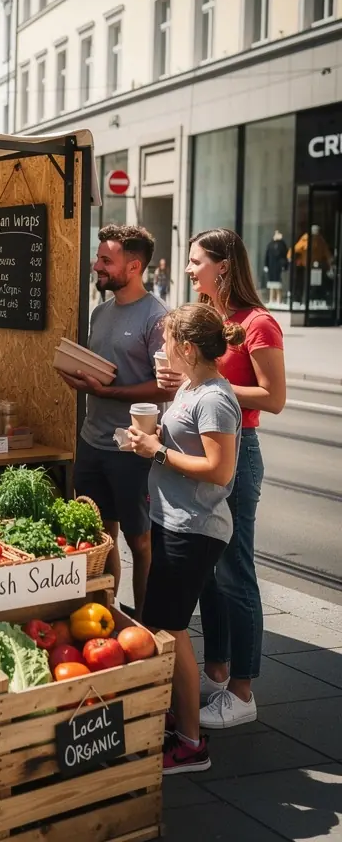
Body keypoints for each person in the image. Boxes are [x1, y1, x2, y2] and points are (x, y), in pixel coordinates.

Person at [173, 228, 286, 731]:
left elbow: (273, 397)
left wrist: (211, 384)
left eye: (196, 261)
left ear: (223, 265)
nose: (190, 270)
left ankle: (243, 691)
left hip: (238, 454)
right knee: (210, 571)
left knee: (236, 571)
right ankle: (218, 673)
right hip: (205, 447)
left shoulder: (259, 323)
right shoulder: (213, 319)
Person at [127, 303, 243, 775]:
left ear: (188, 348)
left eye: (168, 340)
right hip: (175, 520)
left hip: (194, 528)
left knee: (172, 628)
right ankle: (181, 718)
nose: (162, 347)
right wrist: (149, 444)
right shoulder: (193, 387)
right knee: (161, 625)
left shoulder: (214, 397)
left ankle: (192, 744)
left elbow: (220, 470)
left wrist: (156, 453)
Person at [58, 225, 171, 615]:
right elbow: (104, 369)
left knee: (141, 542)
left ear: (134, 266)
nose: (97, 265)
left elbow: (166, 387)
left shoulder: (158, 318)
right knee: (100, 537)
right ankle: (106, 613)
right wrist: (77, 376)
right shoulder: (100, 312)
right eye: (99, 258)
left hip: (132, 449)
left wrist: (111, 393)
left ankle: (147, 625)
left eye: (107, 260)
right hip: (92, 443)